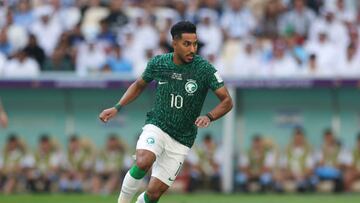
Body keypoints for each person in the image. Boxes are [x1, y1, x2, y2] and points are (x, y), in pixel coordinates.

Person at [99, 21, 233, 203]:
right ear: (174, 43)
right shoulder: (159, 63)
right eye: (187, 44)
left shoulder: (205, 69)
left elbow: (227, 101)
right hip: (158, 125)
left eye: (195, 44)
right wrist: (117, 107)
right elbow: (139, 85)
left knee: (153, 194)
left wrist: (209, 116)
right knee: (143, 161)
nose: (192, 49)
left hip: (182, 139)